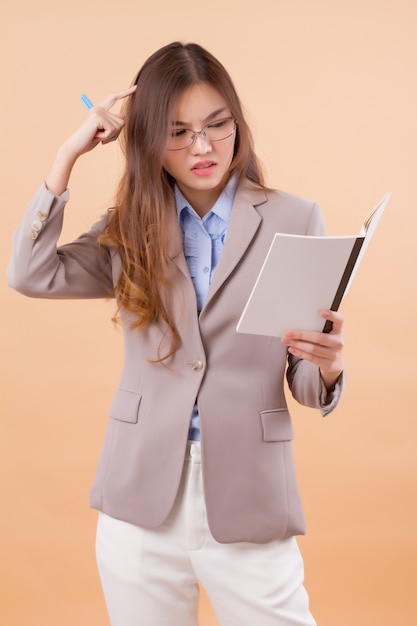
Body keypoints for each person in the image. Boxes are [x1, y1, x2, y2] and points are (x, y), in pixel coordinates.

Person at [7, 41, 345, 626]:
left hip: (249, 493)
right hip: (139, 498)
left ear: (237, 124)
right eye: (179, 132)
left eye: (218, 125)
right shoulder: (130, 226)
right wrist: (67, 157)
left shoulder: (295, 218)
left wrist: (329, 366)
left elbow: (306, 383)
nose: (203, 146)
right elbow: (32, 274)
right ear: (146, 141)